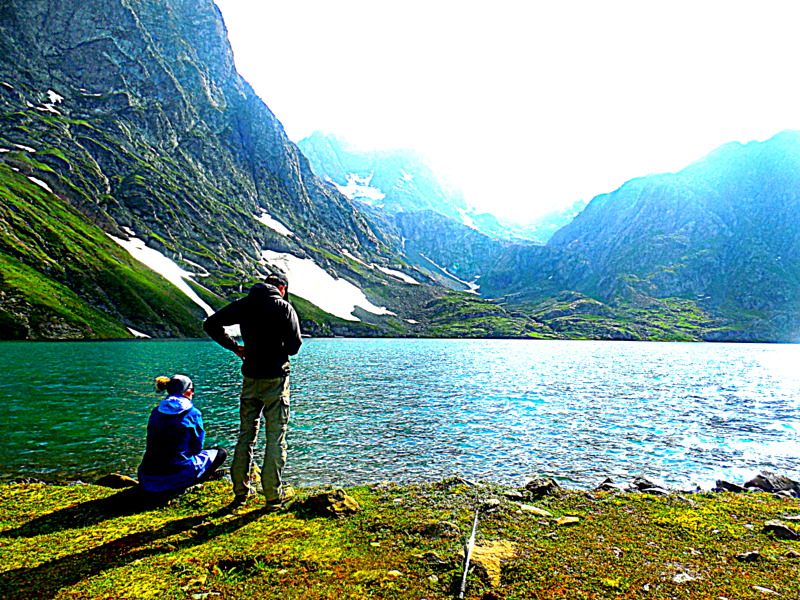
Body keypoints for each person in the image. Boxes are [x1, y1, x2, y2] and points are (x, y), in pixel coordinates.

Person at [203, 272, 302, 511]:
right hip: (276, 379)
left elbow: (211, 324)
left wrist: (235, 347)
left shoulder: (245, 304)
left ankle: (240, 493)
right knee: (275, 438)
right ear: (283, 288)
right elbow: (294, 346)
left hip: (250, 377)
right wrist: (278, 347)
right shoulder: (284, 307)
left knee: (246, 436)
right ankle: (273, 497)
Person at [138, 374, 227, 494]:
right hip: (175, 476)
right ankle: (195, 480)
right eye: (192, 389)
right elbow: (196, 449)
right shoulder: (193, 413)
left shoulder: (156, 411)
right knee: (220, 453)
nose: (193, 393)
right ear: (187, 391)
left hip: (146, 477)